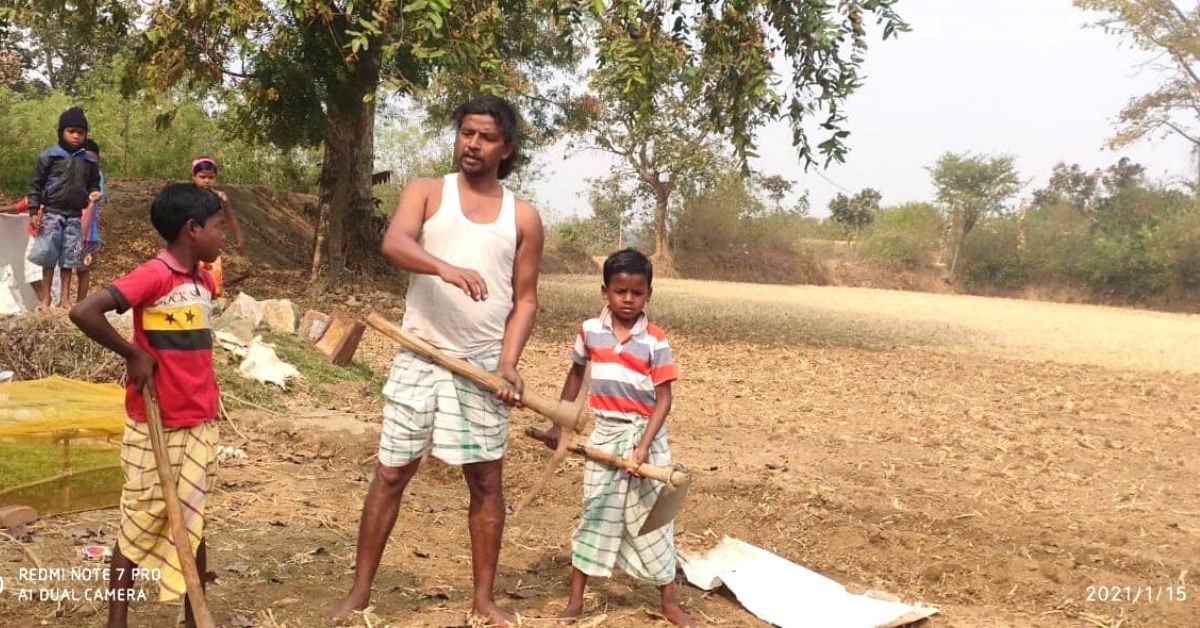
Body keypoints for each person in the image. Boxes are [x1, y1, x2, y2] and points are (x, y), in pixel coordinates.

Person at [331, 95, 544, 627]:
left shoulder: (522, 217)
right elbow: (395, 242)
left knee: (486, 483)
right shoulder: (427, 192)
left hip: (481, 366)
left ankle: (484, 600)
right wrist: (444, 269)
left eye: (486, 137)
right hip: (419, 356)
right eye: (466, 133)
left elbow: (525, 300)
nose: (472, 144)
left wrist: (509, 362)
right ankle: (359, 593)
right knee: (391, 473)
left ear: (507, 148)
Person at [69, 183, 226, 628]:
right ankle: (116, 621)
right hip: (155, 422)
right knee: (139, 521)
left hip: (198, 421)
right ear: (192, 229)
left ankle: (194, 615)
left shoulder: (201, 279)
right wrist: (133, 353)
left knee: (192, 521)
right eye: (217, 228)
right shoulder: (154, 275)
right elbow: (84, 312)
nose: (222, 238)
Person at [532, 248, 697, 627]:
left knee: (654, 520)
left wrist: (642, 448)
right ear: (605, 291)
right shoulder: (590, 331)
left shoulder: (655, 340)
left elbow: (665, 398)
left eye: (636, 293)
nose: (628, 300)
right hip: (605, 435)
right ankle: (575, 601)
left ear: (648, 295)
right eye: (620, 291)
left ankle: (669, 602)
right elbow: (575, 373)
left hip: (646, 436)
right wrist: (561, 420)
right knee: (596, 512)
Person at [27, 106, 102, 310]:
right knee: (48, 256)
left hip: (75, 216)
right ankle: (45, 299)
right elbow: (35, 184)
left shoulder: (88, 160)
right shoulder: (49, 156)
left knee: (69, 259)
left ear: (85, 134)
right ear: (61, 132)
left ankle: (65, 299)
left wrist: (94, 192)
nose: (76, 136)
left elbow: (94, 182)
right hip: (51, 213)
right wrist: (34, 211)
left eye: (81, 132)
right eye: (71, 131)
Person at [190, 156, 244, 296]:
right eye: (202, 177)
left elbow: (230, 218)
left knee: (213, 286)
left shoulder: (220, 198)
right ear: (194, 177)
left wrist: (239, 239)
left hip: (211, 249)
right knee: (192, 284)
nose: (207, 181)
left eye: (211, 177)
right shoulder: (188, 197)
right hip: (192, 247)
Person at [76, 138, 106, 301]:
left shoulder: (97, 176)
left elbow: (94, 200)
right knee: (65, 267)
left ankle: (80, 303)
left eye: (93, 159)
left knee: (84, 268)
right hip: (70, 231)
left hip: (89, 235)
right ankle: (63, 301)